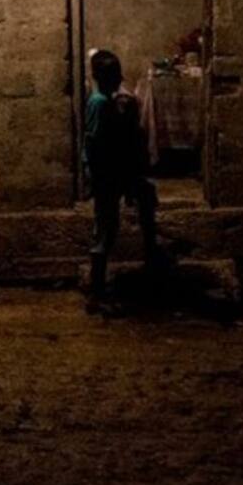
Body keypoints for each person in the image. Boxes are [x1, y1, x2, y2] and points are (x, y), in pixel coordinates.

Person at [83, 49, 166, 314]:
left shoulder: (106, 100)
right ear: (100, 77)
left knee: (114, 222)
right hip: (105, 175)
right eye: (113, 74)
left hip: (112, 173)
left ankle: (104, 288)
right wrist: (96, 176)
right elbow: (95, 142)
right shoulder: (99, 103)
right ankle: (96, 293)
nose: (118, 78)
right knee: (105, 229)